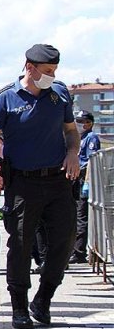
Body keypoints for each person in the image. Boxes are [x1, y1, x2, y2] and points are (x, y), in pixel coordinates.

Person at [0, 44, 79, 329]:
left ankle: (43, 299)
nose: (51, 76)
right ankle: (20, 307)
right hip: (22, 183)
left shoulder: (59, 94)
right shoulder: (5, 98)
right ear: (29, 67)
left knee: (65, 241)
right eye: (47, 71)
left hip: (58, 181)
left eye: (54, 71)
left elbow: (71, 131)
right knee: (20, 245)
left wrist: (73, 153)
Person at [70, 110, 99, 264]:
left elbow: (90, 161)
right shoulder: (80, 138)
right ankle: (75, 249)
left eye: (84, 121)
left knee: (81, 216)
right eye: (79, 121)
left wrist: (86, 181)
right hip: (76, 179)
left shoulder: (91, 138)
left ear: (90, 123)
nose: (81, 124)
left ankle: (79, 252)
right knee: (75, 215)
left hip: (83, 179)